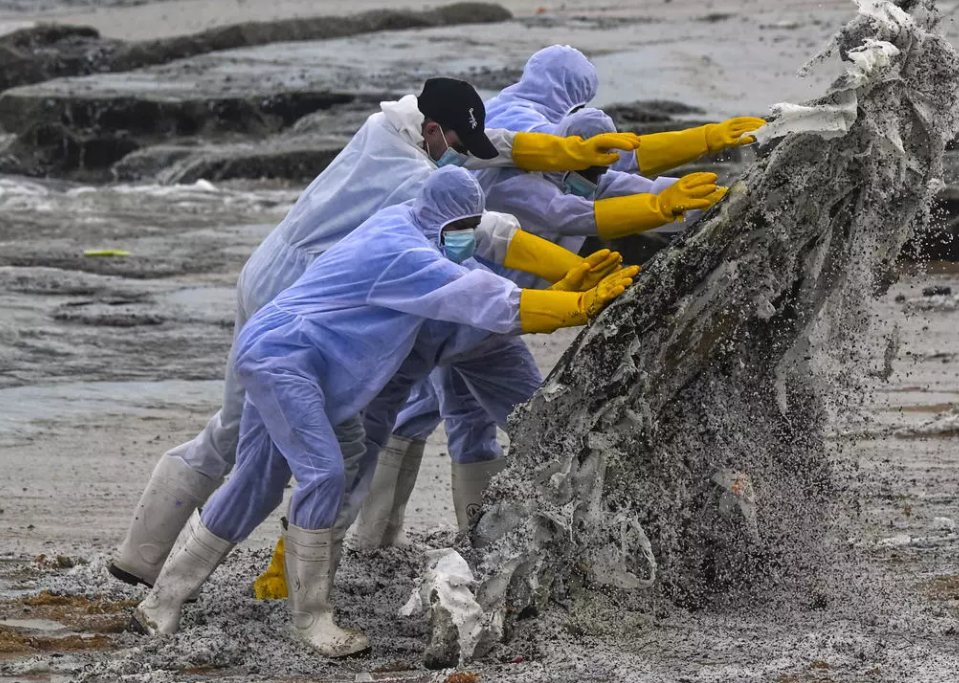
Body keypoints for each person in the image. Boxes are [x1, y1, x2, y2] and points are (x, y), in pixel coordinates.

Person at [109, 77, 640, 590]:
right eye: (456, 141)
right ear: (432, 130)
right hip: (302, 300)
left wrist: (568, 155)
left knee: (234, 429)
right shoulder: (410, 182)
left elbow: (494, 147)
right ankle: (289, 577)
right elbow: (489, 237)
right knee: (318, 449)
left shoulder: (384, 128)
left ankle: (142, 559)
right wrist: (569, 287)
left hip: (267, 271)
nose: (464, 154)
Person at [131, 167, 638, 658]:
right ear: (441, 221)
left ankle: (163, 601)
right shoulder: (404, 254)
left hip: (276, 348)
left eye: (471, 228)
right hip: (285, 358)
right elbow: (480, 295)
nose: (466, 238)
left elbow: (479, 258)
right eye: (459, 228)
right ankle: (311, 616)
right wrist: (575, 306)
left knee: (256, 481)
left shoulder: (406, 219)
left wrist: (563, 283)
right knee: (324, 472)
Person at [348, 107, 733, 550]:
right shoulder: (519, 184)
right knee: (527, 425)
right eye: (584, 163)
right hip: (467, 318)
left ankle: (470, 543)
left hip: (487, 332)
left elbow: (637, 185)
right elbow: (570, 215)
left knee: (471, 422)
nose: (590, 176)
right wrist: (581, 290)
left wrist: (716, 193)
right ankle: (378, 542)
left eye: (597, 167)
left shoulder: (589, 177)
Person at [484, 44, 766, 177]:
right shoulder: (520, 120)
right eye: (581, 102)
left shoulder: (497, 107)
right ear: (571, 94)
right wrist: (704, 139)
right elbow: (590, 154)